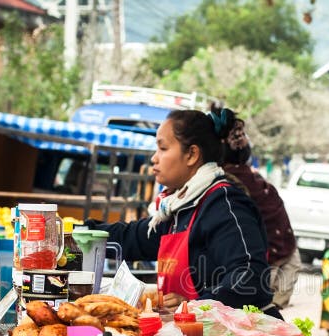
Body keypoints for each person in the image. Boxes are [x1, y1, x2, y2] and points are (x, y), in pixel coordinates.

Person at [87, 108, 278, 316]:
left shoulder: (224, 204)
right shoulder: (180, 207)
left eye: (163, 148)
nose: (154, 158)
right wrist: (81, 233)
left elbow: (250, 274)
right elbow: (134, 236)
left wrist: (195, 305)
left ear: (191, 154)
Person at [221, 114, 301, 309]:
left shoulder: (247, 173)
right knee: (259, 318)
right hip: (263, 263)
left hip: (285, 251)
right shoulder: (224, 181)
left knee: (271, 317)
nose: (241, 141)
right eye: (235, 137)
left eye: (242, 135)